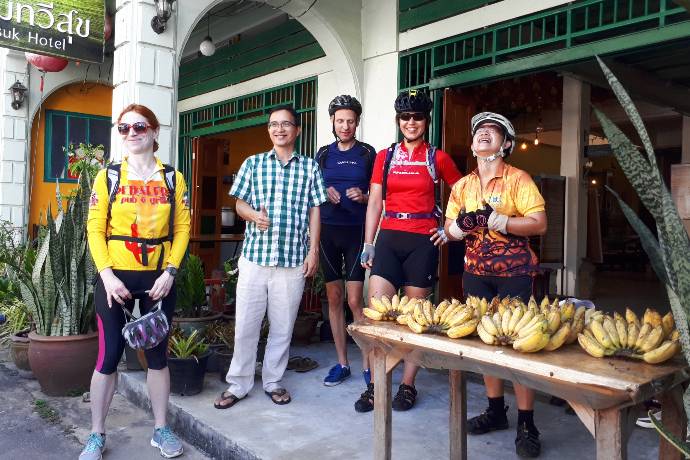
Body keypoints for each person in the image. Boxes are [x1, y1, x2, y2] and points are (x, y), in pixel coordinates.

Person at [82, 104, 191, 460]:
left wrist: (171, 271)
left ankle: (161, 429)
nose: (131, 133)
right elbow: (95, 229)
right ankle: (96, 434)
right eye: (124, 128)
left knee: (157, 356)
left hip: (159, 279)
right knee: (109, 355)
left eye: (139, 127)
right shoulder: (108, 177)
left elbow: (182, 228)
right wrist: (107, 276)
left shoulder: (172, 178)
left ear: (155, 132)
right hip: (115, 278)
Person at [443, 112, 547, 458]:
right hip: (475, 273)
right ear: (472, 145)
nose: (484, 134)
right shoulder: (462, 186)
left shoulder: (518, 179)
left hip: (514, 273)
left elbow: (539, 223)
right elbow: (449, 230)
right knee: (486, 344)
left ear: (506, 144)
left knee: (519, 346)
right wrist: (459, 227)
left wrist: (502, 220)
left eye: (493, 131)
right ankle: (495, 411)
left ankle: (527, 422)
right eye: (479, 131)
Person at [214, 105, 327, 409]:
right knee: (246, 326)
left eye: (286, 124)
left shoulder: (310, 168)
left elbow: (315, 210)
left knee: (282, 327)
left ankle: (273, 381)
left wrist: (313, 250)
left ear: (297, 130)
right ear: (269, 130)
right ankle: (238, 384)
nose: (279, 129)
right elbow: (239, 204)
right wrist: (253, 216)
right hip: (254, 259)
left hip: (292, 260)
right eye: (274, 125)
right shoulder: (253, 163)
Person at [358, 90, 462, 413]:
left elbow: (463, 192)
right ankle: (376, 385)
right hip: (388, 238)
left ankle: (407, 384)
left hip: (422, 241)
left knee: (415, 320)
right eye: (405, 117)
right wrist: (368, 241)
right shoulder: (384, 157)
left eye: (417, 117)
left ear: (426, 121)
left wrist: (449, 228)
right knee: (378, 317)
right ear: (398, 121)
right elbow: (375, 201)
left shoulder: (437, 157)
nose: (411, 123)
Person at [317, 95, 376, 387]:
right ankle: (342, 363)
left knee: (355, 300)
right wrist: (325, 191)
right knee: (334, 298)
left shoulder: (367, 153)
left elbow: (378, 194)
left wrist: (364, 197)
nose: (345, 126)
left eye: (350, 121)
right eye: (340, 120)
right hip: (328, 231)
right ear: (333, 122)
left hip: (355, 232)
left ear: (357, 122)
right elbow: (312, 193)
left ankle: (368, 365)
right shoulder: (323, 154)